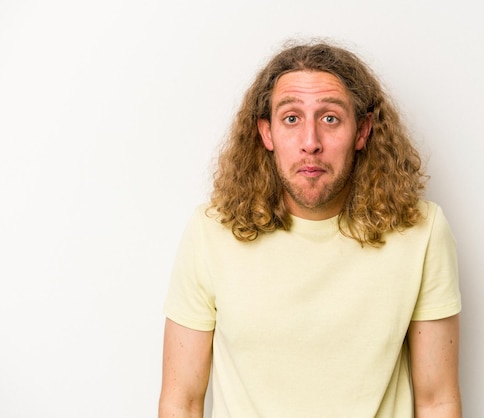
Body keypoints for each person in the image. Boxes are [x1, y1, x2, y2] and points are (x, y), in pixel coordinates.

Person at [159, 39, 462, 418]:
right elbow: (181, 401)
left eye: (330, 118)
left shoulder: (422, 232)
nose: (310, 143)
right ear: (266, 133)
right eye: (291, 118)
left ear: (363, 131)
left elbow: (437, 401)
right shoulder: (210, 233)